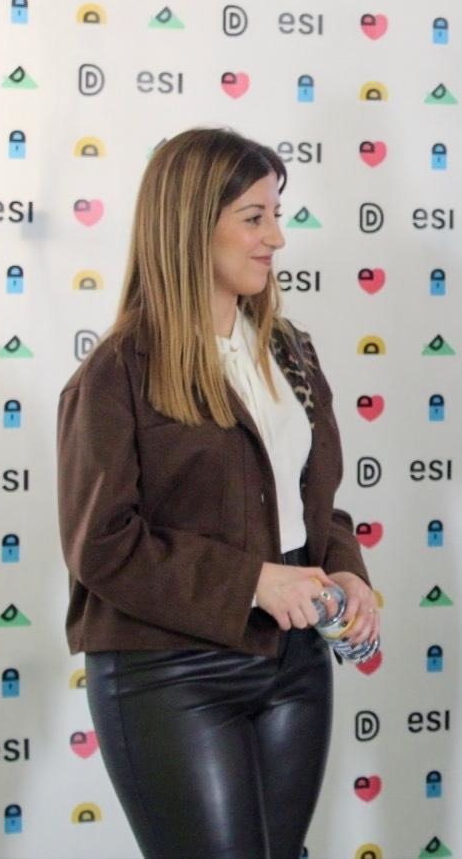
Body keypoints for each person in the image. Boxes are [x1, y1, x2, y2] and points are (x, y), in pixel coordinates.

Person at [56, 127, 379, 859]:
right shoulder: (116, 373)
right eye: (254, 218)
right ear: (191, 225)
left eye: (276, 215)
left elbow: (314, 502)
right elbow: (101, 546)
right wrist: (253, 582)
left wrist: (347, 572)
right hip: (169, 672)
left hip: (296, 662)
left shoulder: (290, 353)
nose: (276, 239)